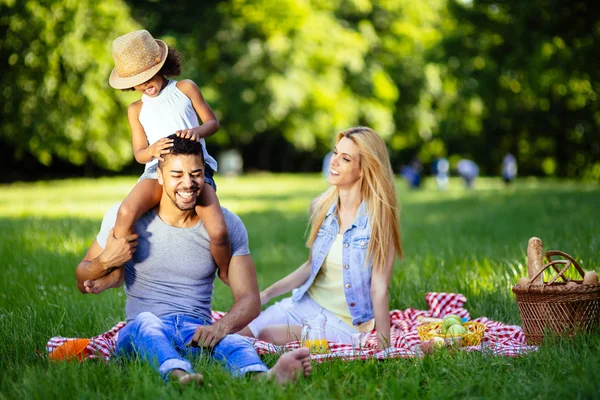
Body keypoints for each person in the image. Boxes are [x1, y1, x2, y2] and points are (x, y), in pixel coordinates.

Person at [75, 135, 311, 385]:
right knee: (147, 323)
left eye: (195, 174)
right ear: (159, 176)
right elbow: (82, 279)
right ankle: (178, 376)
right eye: (176, 175)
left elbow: (250, 300)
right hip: (142, 329)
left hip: (195, 330)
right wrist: (103, 263)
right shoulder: (125, 219)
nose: (187, 184)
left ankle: (264, 377)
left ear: (205, 176)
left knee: (234, 341)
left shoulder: (229, 225)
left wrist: (220, 328)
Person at [238, 127, 403, 350]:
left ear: (364, 169)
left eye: (345, 159)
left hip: (345, 325)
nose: (334, 162)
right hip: (305, 303)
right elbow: (310, 266)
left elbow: (380, 288)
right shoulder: (321, 207)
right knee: (238, 334)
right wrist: (265, 295)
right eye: (335, 153)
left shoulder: (379, 223)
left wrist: (385, 349)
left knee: (267, 335)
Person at [104, 29, 230, 289]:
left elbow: (212, 123)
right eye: (138, 81)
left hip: (194, 171)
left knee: (218, 230)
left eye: (149, 75)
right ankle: (116, 270)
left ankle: (226, 272)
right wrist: (152, 150)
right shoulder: (136, 109)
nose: (146, 84)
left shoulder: (185, 88)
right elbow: (139, 154)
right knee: (125, 211)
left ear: (161, 65)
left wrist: (196, 132)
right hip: (155, 172)